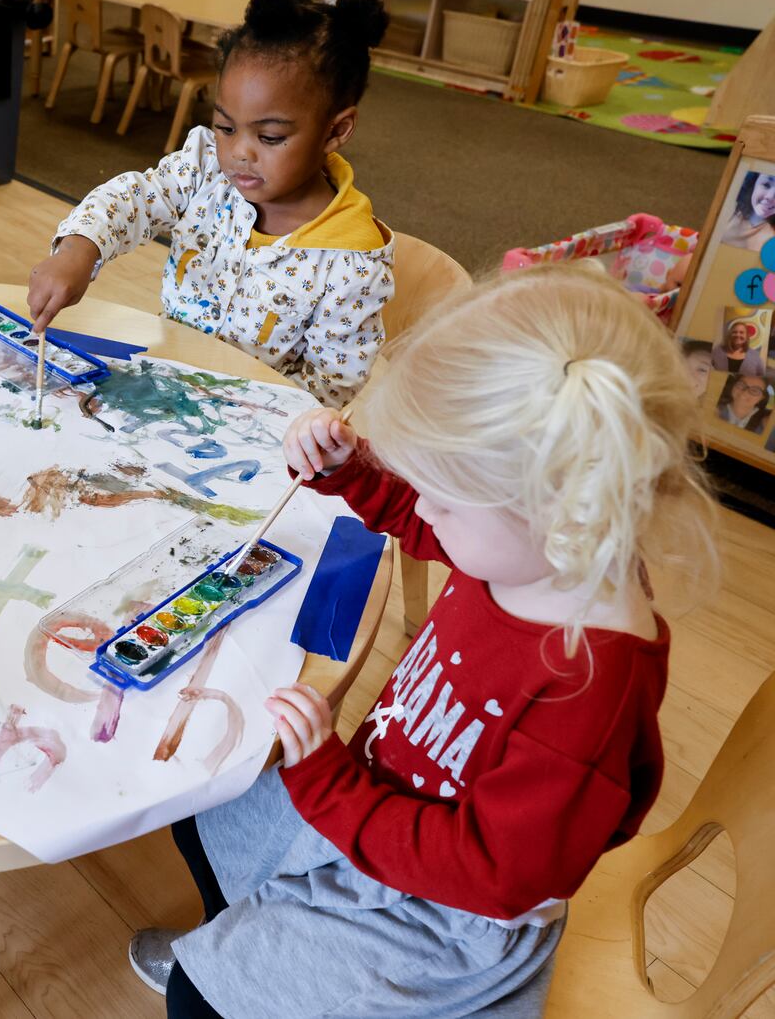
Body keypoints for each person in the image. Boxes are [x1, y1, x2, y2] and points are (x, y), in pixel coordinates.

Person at [129, 265, 718, 1017]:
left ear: (564, 512)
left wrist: (327, 780)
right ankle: (239, 940)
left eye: (444, 492)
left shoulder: (587, 686)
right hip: (377, 804)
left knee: (194, 1000)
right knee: (203, 798)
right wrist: (355, 472)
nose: (425, 507)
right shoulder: (545, 547)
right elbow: (426, 519)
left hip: (440, 913)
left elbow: (490, 871)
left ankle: (228, 973)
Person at [26, 0, 393, 406]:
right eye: (225, 126)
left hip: (252, 429)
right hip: (163, 379)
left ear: (336, 130)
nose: (238, 153)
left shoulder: (353, 263)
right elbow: (132, 199)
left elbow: (331, 391)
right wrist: (78, 249)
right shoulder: (205, 169)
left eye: (270, 137)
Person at [722, 170, 775, 253]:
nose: (770, 196)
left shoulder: (771, 237)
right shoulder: (729, 210)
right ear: (754, 183)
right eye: (766, 185)